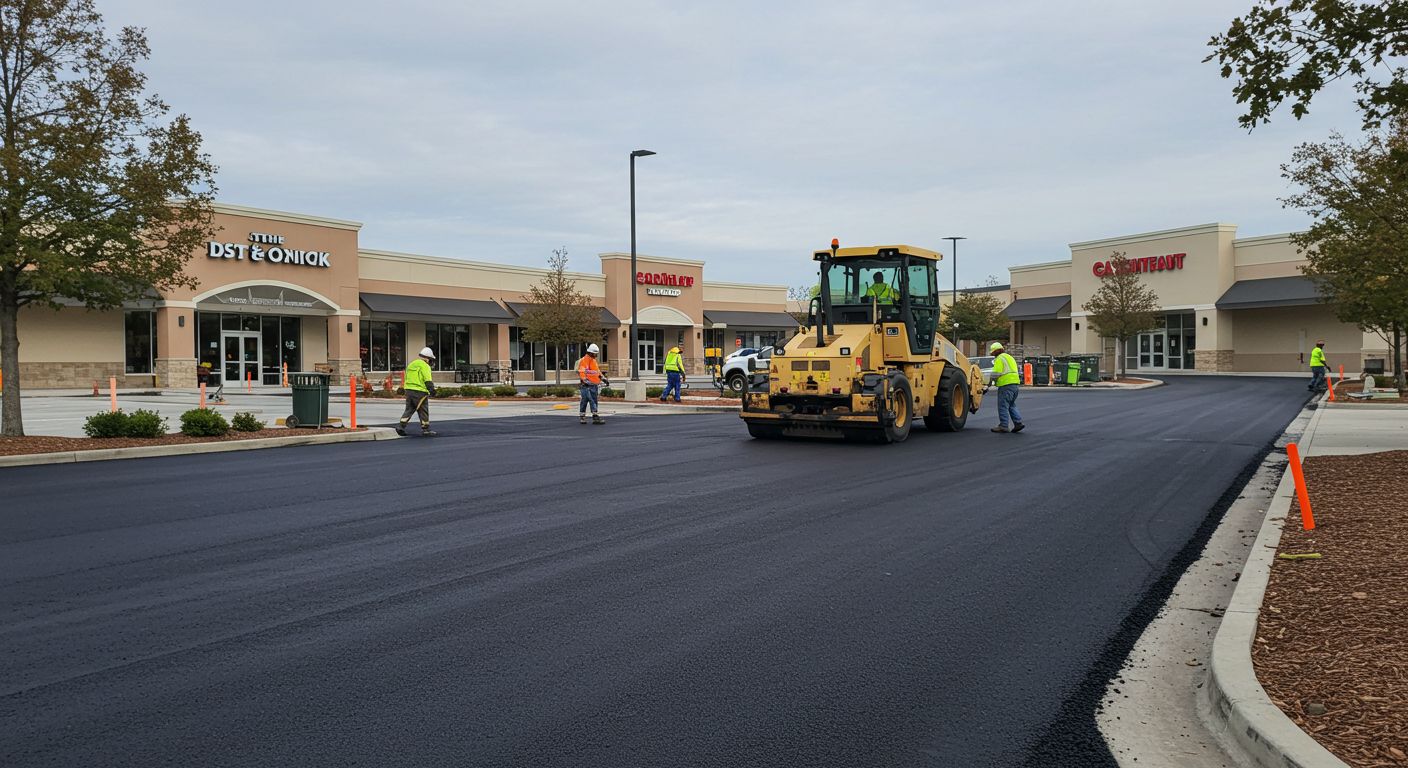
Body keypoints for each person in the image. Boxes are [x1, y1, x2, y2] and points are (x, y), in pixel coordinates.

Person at [397, 346, 438, 437]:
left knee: (409, 409)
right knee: (423, 410)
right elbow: (427, 380)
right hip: (420, 392)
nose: (431, 362)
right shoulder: (425, 366)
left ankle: (401, 427)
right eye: (431, 360)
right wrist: (432, 390)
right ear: (427, 358)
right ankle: (426, 429)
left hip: (409, 390)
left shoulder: (412, 364)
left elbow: (406, 377)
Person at [988, 341, 1025, 433]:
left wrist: (989, 383)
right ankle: (1018, 423)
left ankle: (1003, 425)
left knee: (1003, 405)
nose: (993, 355)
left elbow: (996, 373)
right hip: (1015, 385)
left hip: (1006, 385)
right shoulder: (1010, 357)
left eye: (993, 353)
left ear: (995, 351)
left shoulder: (999, 358)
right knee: (1011, 404)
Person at [577, 343, 608, 425]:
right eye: (595, 353)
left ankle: (594, 416)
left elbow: (597, 372)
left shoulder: (593, 361)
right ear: (590, 353)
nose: (596, 355)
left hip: (593, 385)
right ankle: (583, 416)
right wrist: (585, 381)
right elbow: (582, 372)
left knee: (594, 400)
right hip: (586, 386)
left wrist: (603, 379)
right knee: (586, 400)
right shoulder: (583, 361)